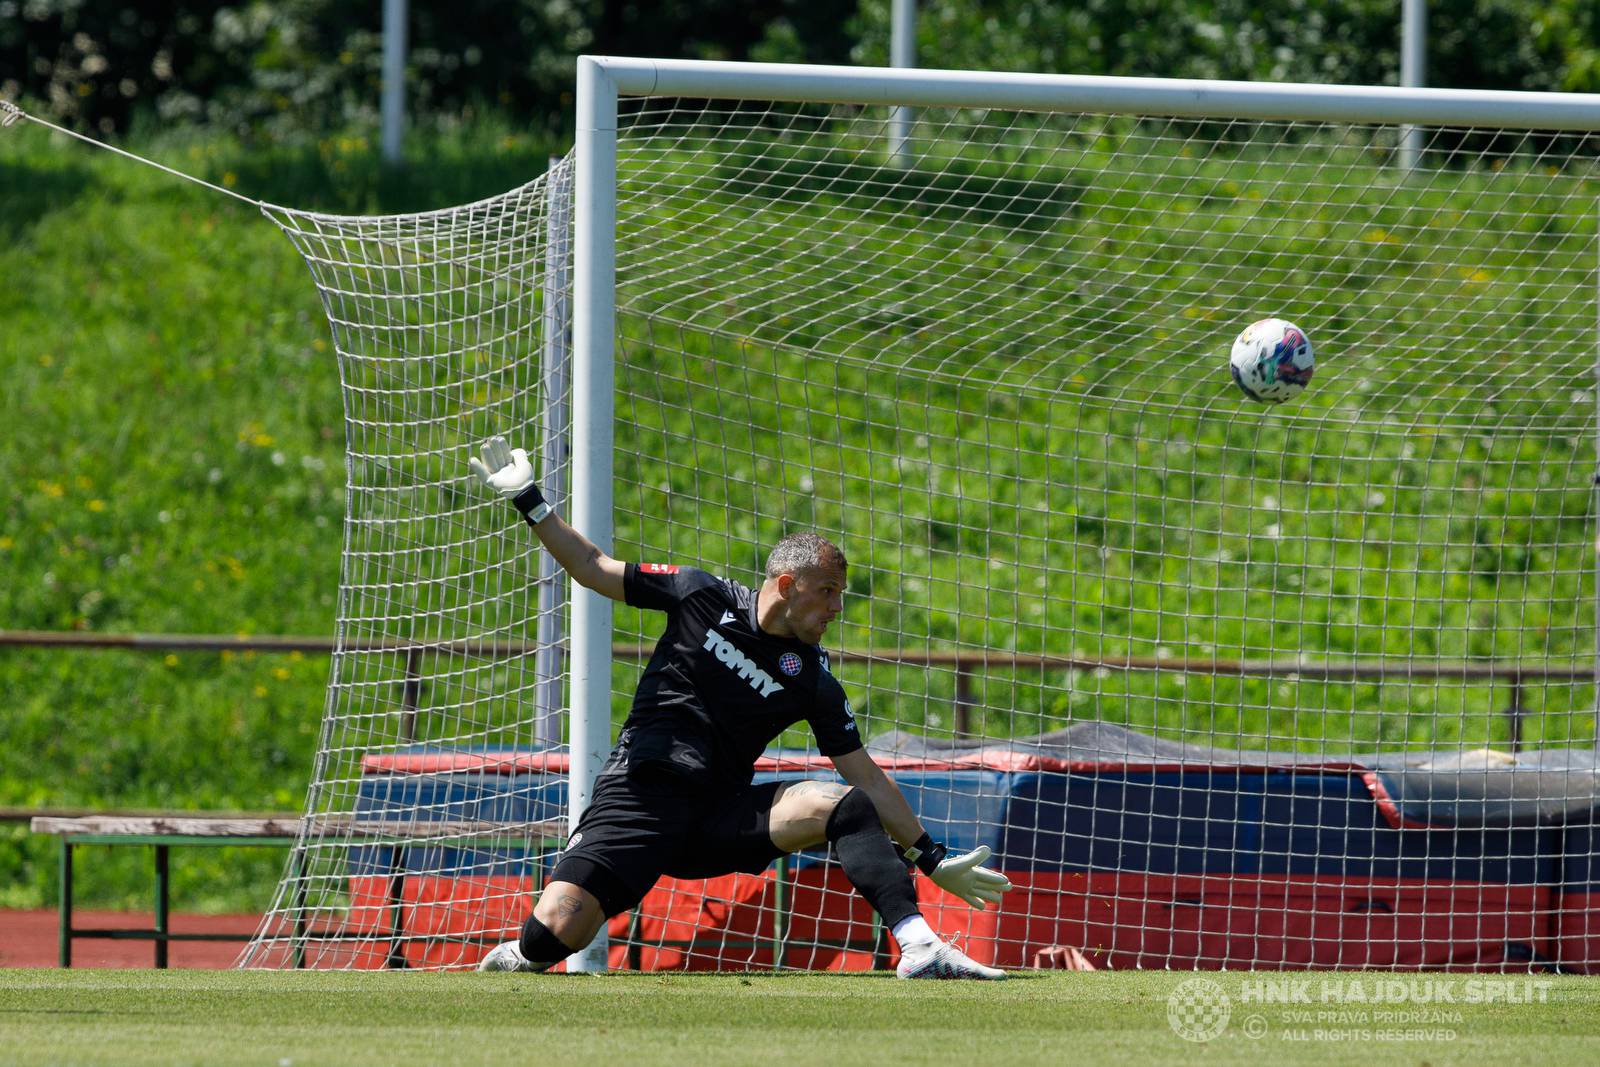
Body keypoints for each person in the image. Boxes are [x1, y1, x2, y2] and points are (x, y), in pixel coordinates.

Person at [468, 436, 1010, 979]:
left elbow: (865, 773)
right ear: (787, 584)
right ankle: (520, 955)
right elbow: (592, 566)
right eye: (826, 592)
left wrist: (929, 856)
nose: (836, 608)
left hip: (717, 816)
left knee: (844, 805)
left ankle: (919, 947)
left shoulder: (813, 680)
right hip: (640, 798)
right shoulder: (700, 595)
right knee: (553, 934)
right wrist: (530, 501)